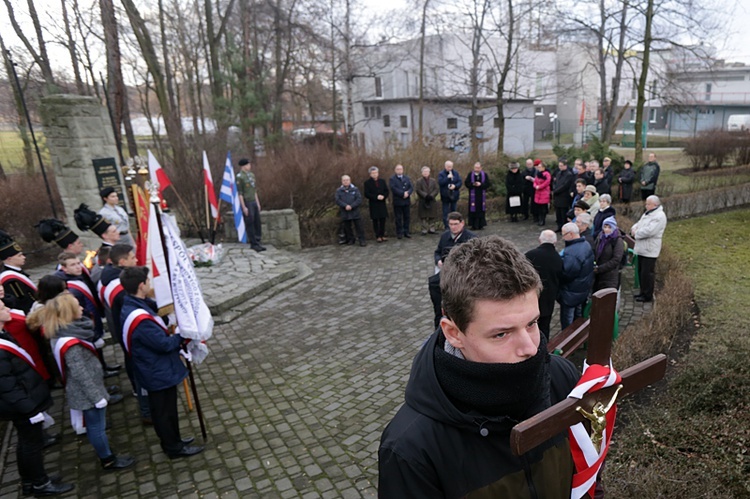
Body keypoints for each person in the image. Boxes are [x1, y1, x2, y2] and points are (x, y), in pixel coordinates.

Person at [379, 236, 580, 497]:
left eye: (532, 323)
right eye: (501, 334)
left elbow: (586, 471)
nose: (530, 348)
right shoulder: (410, 448)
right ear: (453, 333)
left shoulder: (562, 377)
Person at [40, 292, 135, 470]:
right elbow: (80, 372)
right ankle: (108, 459)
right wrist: (96, 397)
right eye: (78, 306)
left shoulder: (67, 330)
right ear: (69, 312)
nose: (82, 308)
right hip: (87, 392)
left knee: (96, 426)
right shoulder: (70, 341)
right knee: (96, 427)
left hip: (90, 386)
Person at [120, 266, 203, 459]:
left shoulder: (134, 303)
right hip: (155, 371)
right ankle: (173, 447)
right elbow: (164, 345)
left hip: (155, 368)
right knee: (164, 412)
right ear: (141, 286)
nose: (150, 284)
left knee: (167, 409)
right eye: (148, 281)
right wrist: (183, 334)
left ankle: (175, 440)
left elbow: (155, 312)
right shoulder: (139, 319)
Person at [0, 301, 75, 497]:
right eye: (2, 308)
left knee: (26, 442)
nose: (8, 310)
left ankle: (29, 481)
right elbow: (6, 385)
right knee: (31, 445)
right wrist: (30, 409)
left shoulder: (3, 334)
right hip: (23, 405)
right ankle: (41, 484)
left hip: (24, 401)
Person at [99, 244, 148, 422]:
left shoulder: (111, 275)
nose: (136, 260)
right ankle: (140, 393)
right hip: (127, 331)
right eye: (132, 257)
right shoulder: (118, 285)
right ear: (122, 261)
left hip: (121, 328)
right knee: (133, 360)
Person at [55, 252, 120, 376]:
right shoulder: (69, 287)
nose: (78, 267)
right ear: (64, 268)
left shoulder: (78, 277)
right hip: (87, 319)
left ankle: (104, 366)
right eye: (73, 265)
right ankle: (101, 371)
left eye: (78, 263)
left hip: (93, 316)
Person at [427, 212, 477, 329]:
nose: (453, 227)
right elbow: (438, 251)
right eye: (451, 224)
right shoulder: (445, 236)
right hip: (444, 270)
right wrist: (438, 260)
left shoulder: (471, 238)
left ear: (462, 223)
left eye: (456, 224)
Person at [525, 230, 563, 340]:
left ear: (540, 240)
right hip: (549, 298)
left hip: (532, 297)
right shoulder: (558, 258)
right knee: (545, 326)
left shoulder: (530, 255)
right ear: (555, 241)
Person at [630, 195, 667, 303]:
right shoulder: (648, 213)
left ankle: (647, 295)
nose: (646, 205)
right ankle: (642, 292)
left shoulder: (659, 216)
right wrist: (634, 228)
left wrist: (636, 233)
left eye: (648, 204)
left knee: (647, 273)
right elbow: (639, 224)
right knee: (641, 272)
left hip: (650, 249)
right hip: (642, 247)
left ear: (655, 204)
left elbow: (650, 231)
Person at [558, 222, 595, 330]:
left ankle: (568, 343)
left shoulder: (572, 253)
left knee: (567, 322)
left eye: (564, 235)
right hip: (582, 289)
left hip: (571, 293)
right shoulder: (586, 244)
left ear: (571, 234)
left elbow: (567, 274)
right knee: (578, 317)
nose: (563, 238)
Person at [0, 231, 37, 314]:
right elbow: (22, 301)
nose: (23, 257)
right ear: (9, 259)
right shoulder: (10, 279)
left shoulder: (18, 272)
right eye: (19, 255)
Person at [236, 158, 265, 252]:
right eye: (248, 164)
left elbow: (254, 190)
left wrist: (258, 202)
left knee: (257, 222)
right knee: (250, 222)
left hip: (253, 200)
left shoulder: (251, 175)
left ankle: (258, 240)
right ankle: (253, 243)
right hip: (247, 201)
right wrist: (243, 207)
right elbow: (240, 193)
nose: (250, 166)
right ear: (243, 166)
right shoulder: (240, 177)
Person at [593, 217, 625, 293]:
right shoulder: (600, 236)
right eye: (605, 227)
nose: (606, 229)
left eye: (609, 227)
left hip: (610, 275)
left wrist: (600, 268)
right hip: (599, 274)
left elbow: (616, 259)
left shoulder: (617, 240)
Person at [335, 175, 366, 247]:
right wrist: (345, 206)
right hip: (345, 211)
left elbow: (359, 199)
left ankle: (362, 240)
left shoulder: (355, 189)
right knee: (347, 227)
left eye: (347, 180)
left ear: (350, 180)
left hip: (355, 211)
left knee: (359, 226)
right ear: (342, 181)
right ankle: (351, 239)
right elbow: (338, 200)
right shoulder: (339, 190)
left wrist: (352, 206)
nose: (346, 182)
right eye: (344, 180)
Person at [363, 166, 389, 242]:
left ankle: (383, 234)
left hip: (382, 203)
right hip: (373, 203)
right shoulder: (367, 183)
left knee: (383, 219)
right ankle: (378, 235)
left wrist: (383, 196)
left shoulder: (382, 181)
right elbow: (367, 194)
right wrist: (376, 197)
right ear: (370, 174)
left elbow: (386, 191)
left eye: (376, 173)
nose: (374, 174)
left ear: (378, 173)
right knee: (375, 220)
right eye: (373, 173)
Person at [389, 164, 414, 239]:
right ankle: (399, 233)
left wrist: (408, 193)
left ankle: (406, 231)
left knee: (407, 217)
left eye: (401, 169)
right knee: (398, 218)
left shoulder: (407, 178)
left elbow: (411, 187)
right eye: (398, 169)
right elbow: (393, 188)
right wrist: (402, 193)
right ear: (395, 170)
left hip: (406, 201)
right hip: (398, 201)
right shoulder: (392, 179)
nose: (399, 170)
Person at [414, 166, 440, 235]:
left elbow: (436, 189)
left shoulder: (433, 181)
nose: (426, 173)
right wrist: (425, 195)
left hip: (432, 200)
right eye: (424, 172)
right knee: (423, 216)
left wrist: (431, 195)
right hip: (423, 200)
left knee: (432, 215)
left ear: (429, 172)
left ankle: (432, 229)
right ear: (422, 173)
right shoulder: (419, 181)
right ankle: (424, 230)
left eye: (427, 171)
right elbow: (418, 190)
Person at [552, 158, 575, 232]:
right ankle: (559, 226)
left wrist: (556, 190)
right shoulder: (558, 173)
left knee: (563, 213)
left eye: (561, 166)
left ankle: (564, 228)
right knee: (558, 213)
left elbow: (565, 185)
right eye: (559, 166)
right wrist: (554, 189)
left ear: (565, 166)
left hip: (564, 196)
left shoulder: (569, 174)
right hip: (557, 196)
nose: (560, 167)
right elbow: (555, 182)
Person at [465, 162, 490, 230]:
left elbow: (488, 184)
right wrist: (473, 184)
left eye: (478, 168)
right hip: (473, 195)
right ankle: (473, 225)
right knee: (473, 211)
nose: (477, 169)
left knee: (480, 210)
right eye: (476, 168)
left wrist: (481, 184)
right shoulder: (470, 174)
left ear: (481, 168)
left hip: (481, 195)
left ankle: (480, 224)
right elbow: (466, 183)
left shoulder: (484, 175)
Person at [438, 161, 462, 229]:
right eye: (448, 167)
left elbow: (460, 182)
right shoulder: (441, 174)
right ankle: (447, 226)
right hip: (445, 196)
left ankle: (455, 225)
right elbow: (440, 183)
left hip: (454, 195)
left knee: (454, 211)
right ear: (445, 166)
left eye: (451, 167)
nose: (450, 168)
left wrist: (455, 186)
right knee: (445, 212)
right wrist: (447, 178)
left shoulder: (456, 173)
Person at [528, 159, 551, 226]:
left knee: (543, 207)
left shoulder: (547, 174)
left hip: (544, 192)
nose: (538, 168)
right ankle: (539, 219)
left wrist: (540, 186)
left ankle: (543, 220)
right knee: (539, 207)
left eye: (540, 167)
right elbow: (535, 181)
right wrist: (535, 186)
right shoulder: (538, 174)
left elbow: (547, 182)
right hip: (538, 193)